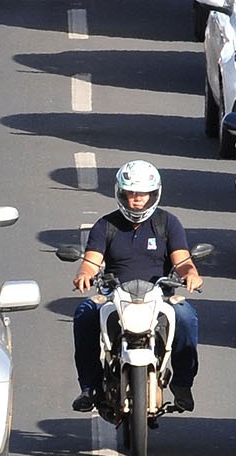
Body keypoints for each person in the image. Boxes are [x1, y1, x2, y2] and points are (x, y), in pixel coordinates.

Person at [71, 160, 202, 413]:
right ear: (121, 193)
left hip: (159, 297)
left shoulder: (168, 223)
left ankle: (183, 385)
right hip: (115, 295)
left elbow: (183, 260)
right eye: (131, 193)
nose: (137, 199)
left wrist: (191, 275)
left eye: (143, 194)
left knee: (186, 315)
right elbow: (90, 262)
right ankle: (90, 387)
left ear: (154, 194)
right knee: (85, 312)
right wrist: (85, 275)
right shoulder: (105, 225)